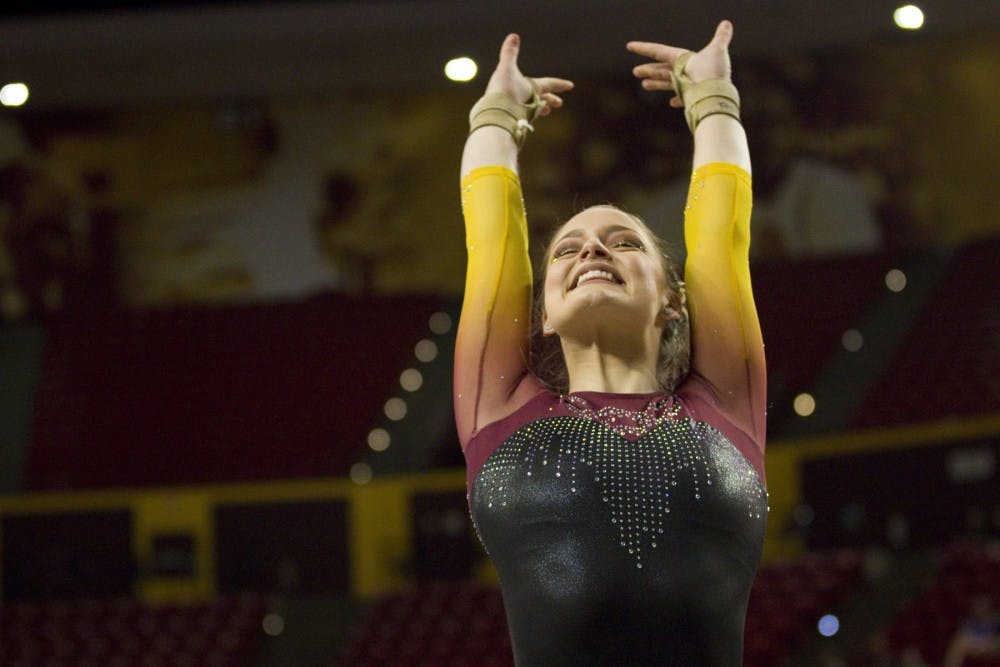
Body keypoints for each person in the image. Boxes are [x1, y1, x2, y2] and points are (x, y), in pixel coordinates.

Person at [455, 20, 767, 666]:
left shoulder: (724, 405)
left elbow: (721, 238)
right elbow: (491, 244)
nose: (592, 248)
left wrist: (714, 100)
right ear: (542, 313)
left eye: (624, 242)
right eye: (567, 248)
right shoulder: (503, 408)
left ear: (674, 298)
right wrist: (496, 117)